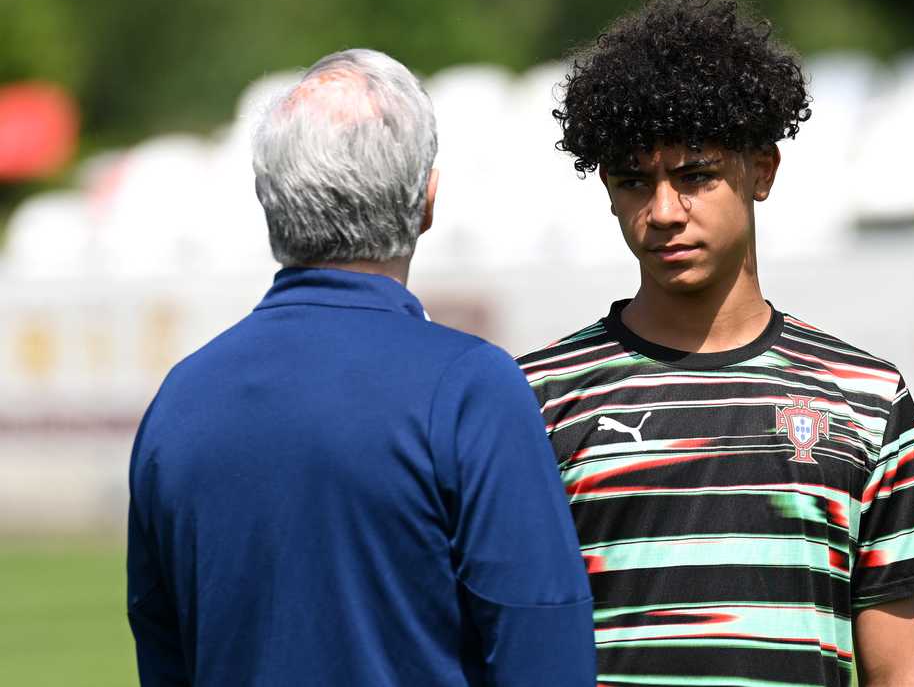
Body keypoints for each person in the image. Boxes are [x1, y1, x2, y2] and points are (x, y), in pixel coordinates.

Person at [516, 0, 914, 687]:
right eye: (635, 181)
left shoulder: (868, 397)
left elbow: (902, 673)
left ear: (762, 171)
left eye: (695, 176)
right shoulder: (535, 399)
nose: (663, 211)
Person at [126, 49, 596, 686]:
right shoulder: (470, 390)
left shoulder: (179, 400)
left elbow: (163, 653)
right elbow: (543, 652)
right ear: (427, 201)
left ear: (270, 201)